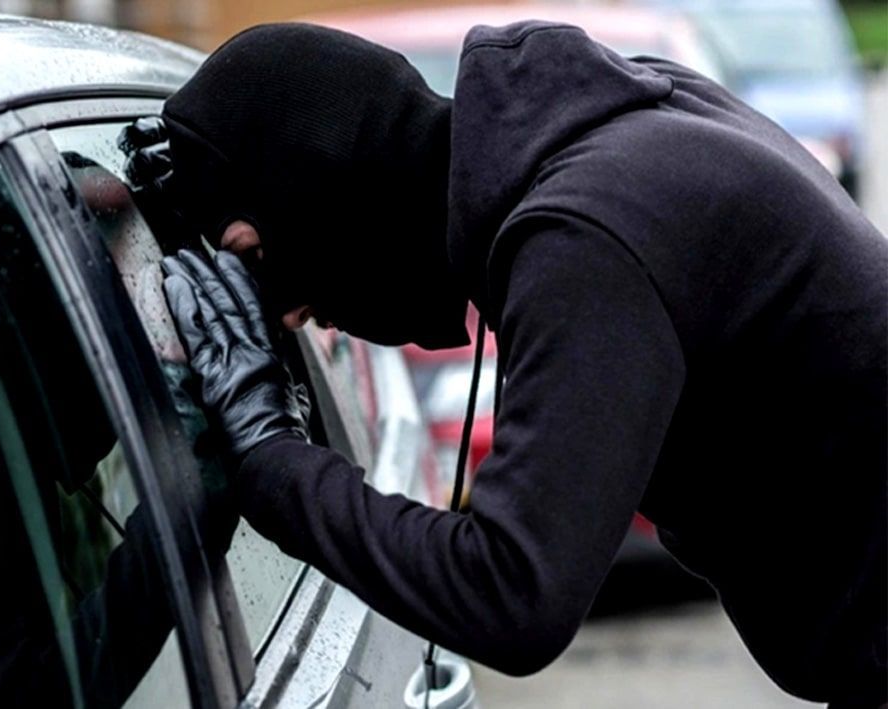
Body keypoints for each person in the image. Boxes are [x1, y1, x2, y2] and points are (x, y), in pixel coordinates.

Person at [123, 22, 887, 707]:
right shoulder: (605, 120)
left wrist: (268, 450)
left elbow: (513, 595)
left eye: (254, 258)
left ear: (312, 188)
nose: (284, 316)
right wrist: (211, 177)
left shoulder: (585, 235)